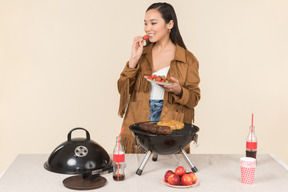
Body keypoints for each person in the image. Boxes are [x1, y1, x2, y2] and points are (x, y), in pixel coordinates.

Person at [117, 2, 200, 153]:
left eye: (153, 23)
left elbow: (194, 98)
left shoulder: (188, 59)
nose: (147, 28)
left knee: (165, 168)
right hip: (140, 117)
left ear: (170, 24)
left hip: (171, 118)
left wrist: (179, 90)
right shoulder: (141, 55)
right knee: (140, 168)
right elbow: (123, 89)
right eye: (145, 23)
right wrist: (133, 60)